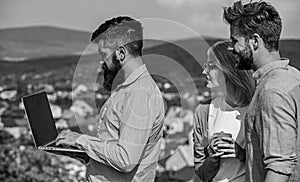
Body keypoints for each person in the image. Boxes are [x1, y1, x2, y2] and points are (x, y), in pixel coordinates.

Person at [56, 16, 165, 182]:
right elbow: (114, 147)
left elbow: (125, 159)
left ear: (121, 53)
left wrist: (81, 140)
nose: (102, 62)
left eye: (104, 55)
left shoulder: (139, 94)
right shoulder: (126, 88)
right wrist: (86, 155)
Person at [224, 1, 300, 182]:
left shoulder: (271, 91)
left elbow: (279, 168)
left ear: (255, 41)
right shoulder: (293, 77)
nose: (230, 48)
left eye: (235, 41)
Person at [193, 40, 255, 182]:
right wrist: (213, 158)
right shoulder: (203, 112)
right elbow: (201, 173)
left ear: (229, 70)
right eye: (205, 66)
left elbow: (270, 161)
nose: (204, 71)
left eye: (211, 66)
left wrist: (241, 154)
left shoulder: (256, 106)